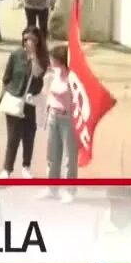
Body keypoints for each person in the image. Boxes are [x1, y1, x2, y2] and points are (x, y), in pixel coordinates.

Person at [0, 26, 48, 178]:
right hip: (15, 99)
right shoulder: (16, 55)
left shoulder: (42, 57)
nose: (28, 42)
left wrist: (33, 56)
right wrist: (6, 93)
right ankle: (7, 169)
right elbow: (6, 77)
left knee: (29, 135)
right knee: (13, 137)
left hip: (31, 101)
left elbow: (39, 74)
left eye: (32, 39)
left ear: (38, 41)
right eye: (26, 39)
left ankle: (26, 167)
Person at [40, 44, 77, 201]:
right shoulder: (54, 74)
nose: (50, 61)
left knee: (69, 156)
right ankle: (52, 187)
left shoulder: (72, 78)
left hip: (67, 118)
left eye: (53, 58)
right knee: (52, 154)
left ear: (60, 61)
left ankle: (70, 190)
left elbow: (73, 96)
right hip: (53, 116)